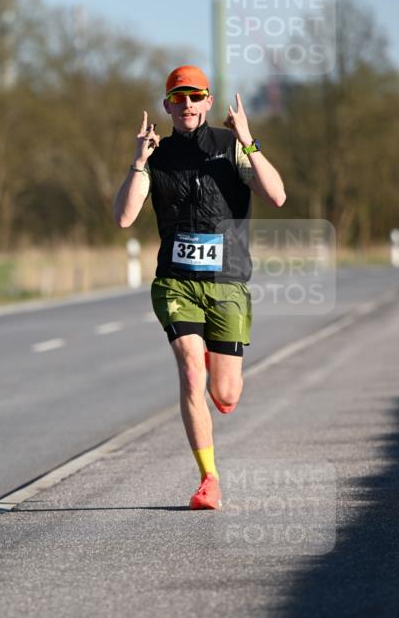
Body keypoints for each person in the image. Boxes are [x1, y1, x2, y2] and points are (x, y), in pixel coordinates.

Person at [113, 65, 286, 509]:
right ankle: (208, 479)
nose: (187, 105)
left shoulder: (231, 148)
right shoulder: (158, 155)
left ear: (208, 102)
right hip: (176, 283)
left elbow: (277, 195)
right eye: (178, 98)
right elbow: (124, 217)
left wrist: (247, 138)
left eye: (195, 97)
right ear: (167, 104)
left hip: (227, 282)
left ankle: (215, 366)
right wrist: (138, 160)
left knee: (225, 394)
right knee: (192, 370)